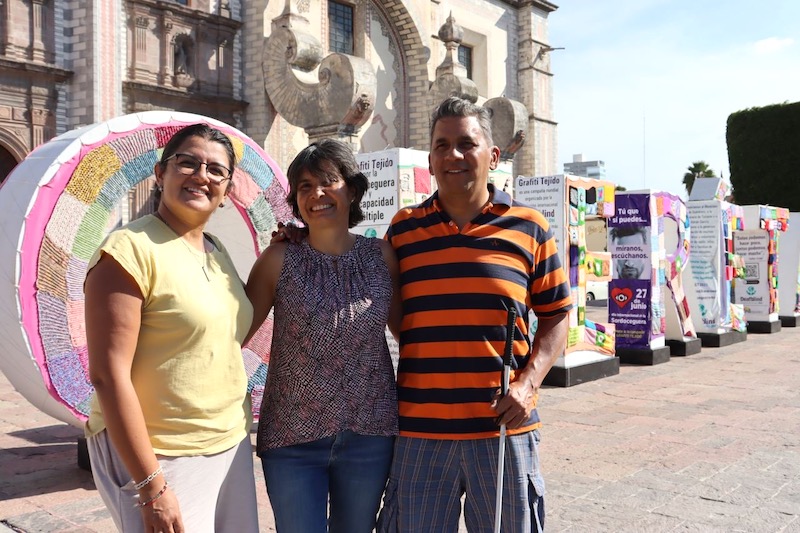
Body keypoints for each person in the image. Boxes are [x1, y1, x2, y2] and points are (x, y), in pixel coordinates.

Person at [377, 96, 571, 532]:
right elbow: (395, 310)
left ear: (493, 155)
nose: (454, 155)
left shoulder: (530, 226)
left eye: (467, 144)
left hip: (503, 427)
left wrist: (528, 383)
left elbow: (557, 316)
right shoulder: (403, 230)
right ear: (430, 158)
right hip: (421, 430)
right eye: (442, 145)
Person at [84, 123, 259, 532]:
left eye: (216, 170)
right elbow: (108, 376)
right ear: (160, 173)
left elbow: (220, 335)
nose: (202, 175)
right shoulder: (128, 251)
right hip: (161, 455)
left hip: (227, 441)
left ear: (227, 190)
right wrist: (152, 487)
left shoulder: (217, 252)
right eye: (188, 163)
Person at [245, 139, 401, 533]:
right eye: (304, 186)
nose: (316, 194)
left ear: (351, 189)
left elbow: (407, 332)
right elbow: (231, 333)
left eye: (328, 181)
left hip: (370, 435)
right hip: (292, 440)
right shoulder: (278, 260)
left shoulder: (381, 257)